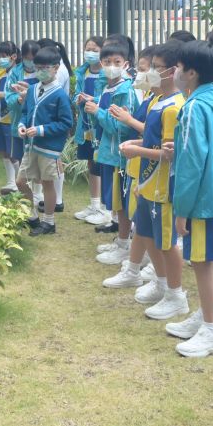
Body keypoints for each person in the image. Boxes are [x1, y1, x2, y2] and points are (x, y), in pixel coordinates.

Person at [162, 40, 213, 358]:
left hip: (204, 200)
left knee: (203, 264)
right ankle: (205, 315)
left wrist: (182, 209)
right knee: (207, 262)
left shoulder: (193, 107)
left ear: (191, 73)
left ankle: (212, 330)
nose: (175, 72)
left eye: (178, 67)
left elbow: (191, 164)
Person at [127, 41, 187, 316]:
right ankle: (161, 283)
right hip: (147, 183)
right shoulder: (158, 101)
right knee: (146, 233)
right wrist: (138, 143)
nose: (151, 72)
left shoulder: (174, 107)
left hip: (162, 186)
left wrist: (136, 150)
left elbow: (169, 152)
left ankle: (176, 294)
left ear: (172, 71)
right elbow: (154, 141)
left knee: (166, 242)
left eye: (156, 67)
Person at [102, 45, 159, 289]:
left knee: (151, 222)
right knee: (140, 217)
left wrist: (128, 120)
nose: (139, 74)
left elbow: (159, 138)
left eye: (144, 70)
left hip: (151, 170)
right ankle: (136, 264)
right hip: (138, 165)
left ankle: (156, 271)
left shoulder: (168, 102)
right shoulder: (151, 97)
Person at [88, 40, 139, 265]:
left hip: (120, 154)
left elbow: (122, 127)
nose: (111, 66)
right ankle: (121, 241)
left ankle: (125, 243)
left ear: (126, 64)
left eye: (117, 62)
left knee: (122, 203)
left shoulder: (125, 90)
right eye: (107, 62)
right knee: (115, 201)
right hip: (108, 153)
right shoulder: (106, 87)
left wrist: (98, 112)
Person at [15, 46, 74, 236]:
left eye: (45, 68)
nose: (40, 71)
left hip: (49, 149)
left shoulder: (60, 94)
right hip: (31, 146)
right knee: (20, 181)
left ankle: (49, 222)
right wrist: (21, 125)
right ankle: (32, 216)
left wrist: (41, 130)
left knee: (47, 184)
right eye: (37, 67)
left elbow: (66, 123)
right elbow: (26, 113)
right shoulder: (32, 89)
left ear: (56, 68)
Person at [73, 36, 108, 225]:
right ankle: (94, 204)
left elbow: (107, 98)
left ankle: (105, 208)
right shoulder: (82, 72)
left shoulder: (106, 73)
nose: (90, 53)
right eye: (88, 49)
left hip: (100, 126)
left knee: (101, 164)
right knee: (90, 163)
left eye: (95, 49)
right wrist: (78, 99)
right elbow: (75, 94)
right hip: (85, 126)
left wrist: (93, 100)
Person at [0, 40, 24, 193]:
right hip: (0, 117)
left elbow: (20, 94)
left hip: (12, 118)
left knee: (13, 152)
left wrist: (4, 95)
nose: (1, 59)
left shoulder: (18, 73)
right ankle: (11, 182)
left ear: (13, 56)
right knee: (4, 151)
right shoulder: (1, 74)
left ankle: (21, 183)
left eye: (4, 55)